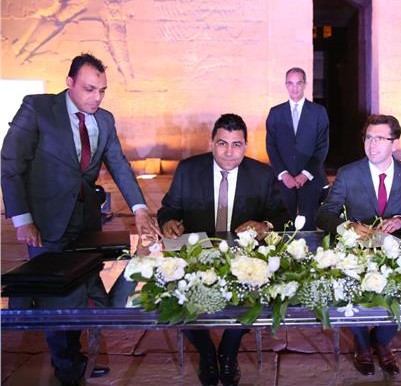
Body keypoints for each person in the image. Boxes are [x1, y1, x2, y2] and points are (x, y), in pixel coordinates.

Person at [1, 53, 160, 386]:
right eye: (89, 89)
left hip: (86, 222)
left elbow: (119, 165)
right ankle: (67, 368)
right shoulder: (37, 108)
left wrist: (140, 209)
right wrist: (22, 219)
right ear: (69, 82)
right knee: (55, 296)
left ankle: (73, 357)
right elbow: (10, 164)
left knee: (79, 289)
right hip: (45, 223)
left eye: (102, 90)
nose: (97, 97)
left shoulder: (105, 120)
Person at [157, 114, 290, 386]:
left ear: (245, 146)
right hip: (196, 255)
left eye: (236, 144)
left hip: (243, 258)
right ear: (211, 143)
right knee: (174, 296)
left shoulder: (262, 174)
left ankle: (229, 350)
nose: (229, 152)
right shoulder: (188, 170)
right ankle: (206, 352)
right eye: (222, 143)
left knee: (257, 294)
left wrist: (264, 225)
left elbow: (280, 215)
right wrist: (168, 221)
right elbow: (169, 208)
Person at [316, 114, 401, 376]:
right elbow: (323, 214)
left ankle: (381, 340)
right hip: (357, 254)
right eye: (368, 137)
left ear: (395, 143)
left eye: (380, 138)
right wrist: (347, 227)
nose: (372, 144)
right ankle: (361, 343)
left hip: (396, 254)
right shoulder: (348, 173)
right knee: (345, 283)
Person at [266, 67, 329, 230]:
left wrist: (306, 173)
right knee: (283, 226)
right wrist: (283, 173)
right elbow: (271, 146)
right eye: (290, 83)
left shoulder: (318, 112)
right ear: (286, 85)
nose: (294, 88)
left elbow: (322, 147)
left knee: (309, 227)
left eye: (298, 83)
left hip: (311, 178)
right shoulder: (275, 112)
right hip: (284, 180)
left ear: (305, 84)